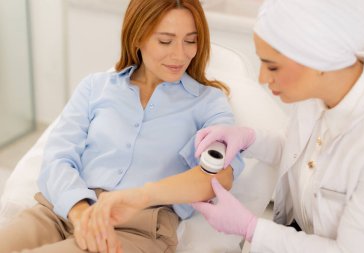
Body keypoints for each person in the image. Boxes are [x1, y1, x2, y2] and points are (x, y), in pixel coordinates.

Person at [0, 0, 244, 252]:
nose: (180, 54)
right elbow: (57, 157)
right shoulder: (95, 87)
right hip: (60, 211)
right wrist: (81, 213)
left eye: (190, 41)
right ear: (137, 37)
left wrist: (142, 196)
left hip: (137, 228)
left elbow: (220, 176)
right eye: (165, 41)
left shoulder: (208, 102)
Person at [190, 0, 364, 252]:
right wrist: (251, 139)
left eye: (272, 66)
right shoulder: (321, 92)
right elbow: (299, 152)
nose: (262, 78)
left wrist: (251, 228)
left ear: (319, 61)